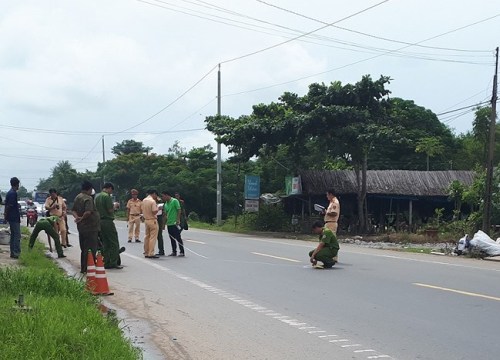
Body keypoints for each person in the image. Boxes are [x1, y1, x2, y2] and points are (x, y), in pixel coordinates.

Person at [72, 181, 100, 273]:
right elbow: (88, 212)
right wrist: (82, 218)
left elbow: (73, 210)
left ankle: (84, 267)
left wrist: (77, 218)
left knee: (83, 248)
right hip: (90, 227)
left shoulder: (77, 197)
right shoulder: (88, 198)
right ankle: (90, 267)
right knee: (91, 248)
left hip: (81, 227)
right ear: (89, 189)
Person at [95, 182, 123, 269]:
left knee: (105, 242)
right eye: (111, 190)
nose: (111, 192)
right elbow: (110, 210)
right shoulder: (106, 197)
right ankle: (113, 262)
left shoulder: (97, 196)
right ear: (109, 188)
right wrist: (115, 206)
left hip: (100, 221)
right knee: (114, 242)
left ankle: (106, 261)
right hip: (108, 221)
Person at [161, 191, 184, 257]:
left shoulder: (174, 201)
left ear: (166, 195)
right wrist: (163, 225)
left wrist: (178, 219)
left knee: (178, 237)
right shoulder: (165, 204)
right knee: (172, 238)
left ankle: (182, 251)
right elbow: (165, 215)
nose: (162, 198)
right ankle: (174, 251)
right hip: (169, 223)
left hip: (175, 223)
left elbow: (179, 210)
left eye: (163, 196)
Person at [4, 177, 21, 259]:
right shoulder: (13, 193)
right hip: (13, 217)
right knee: (17, 235)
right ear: (16, 184)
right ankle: (15, 252)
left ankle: (13, 252)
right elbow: (9, 206)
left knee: (13, 235)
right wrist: (5, 215)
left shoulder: (10, 193)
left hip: (12, 217)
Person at [141, 189, 159, 259]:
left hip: (146, 220)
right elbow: (154, 211)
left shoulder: (144, 200)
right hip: (152, 220)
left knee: (147, 236)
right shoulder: (152, 201)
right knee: (153, 237)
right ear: (154, 194)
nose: (156, 197)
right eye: (156, 195)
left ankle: (146, 252)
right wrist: (158, 208)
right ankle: (151, 253)